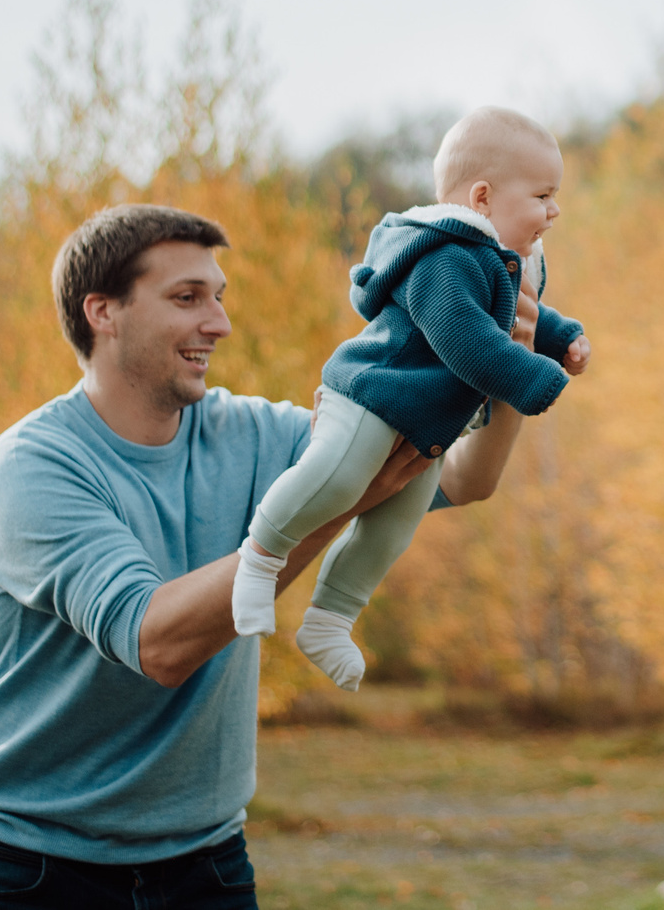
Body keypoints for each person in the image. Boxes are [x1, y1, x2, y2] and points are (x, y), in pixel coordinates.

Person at [0, 202, 554, 909]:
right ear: (102, 311)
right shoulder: (35, 465)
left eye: (219, 297)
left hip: (207, 863)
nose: (219, 323)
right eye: (187, 298)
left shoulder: (249, 431)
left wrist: (506, 366)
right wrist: (339, 502)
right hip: (37, 870)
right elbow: (157, 642)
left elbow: (460, 477)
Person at [230, 106, 592, 689]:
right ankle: (260, 557)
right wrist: (535, 378)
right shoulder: (443, 257)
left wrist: (562, 336)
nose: (555, 211)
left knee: (394, 525)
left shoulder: (494, 261)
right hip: (373, 392)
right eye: (544, 195)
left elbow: (516, 314)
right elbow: (466, 340)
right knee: (338, 479)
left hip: (428, 419)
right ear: (482, 197)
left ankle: (330, 619)